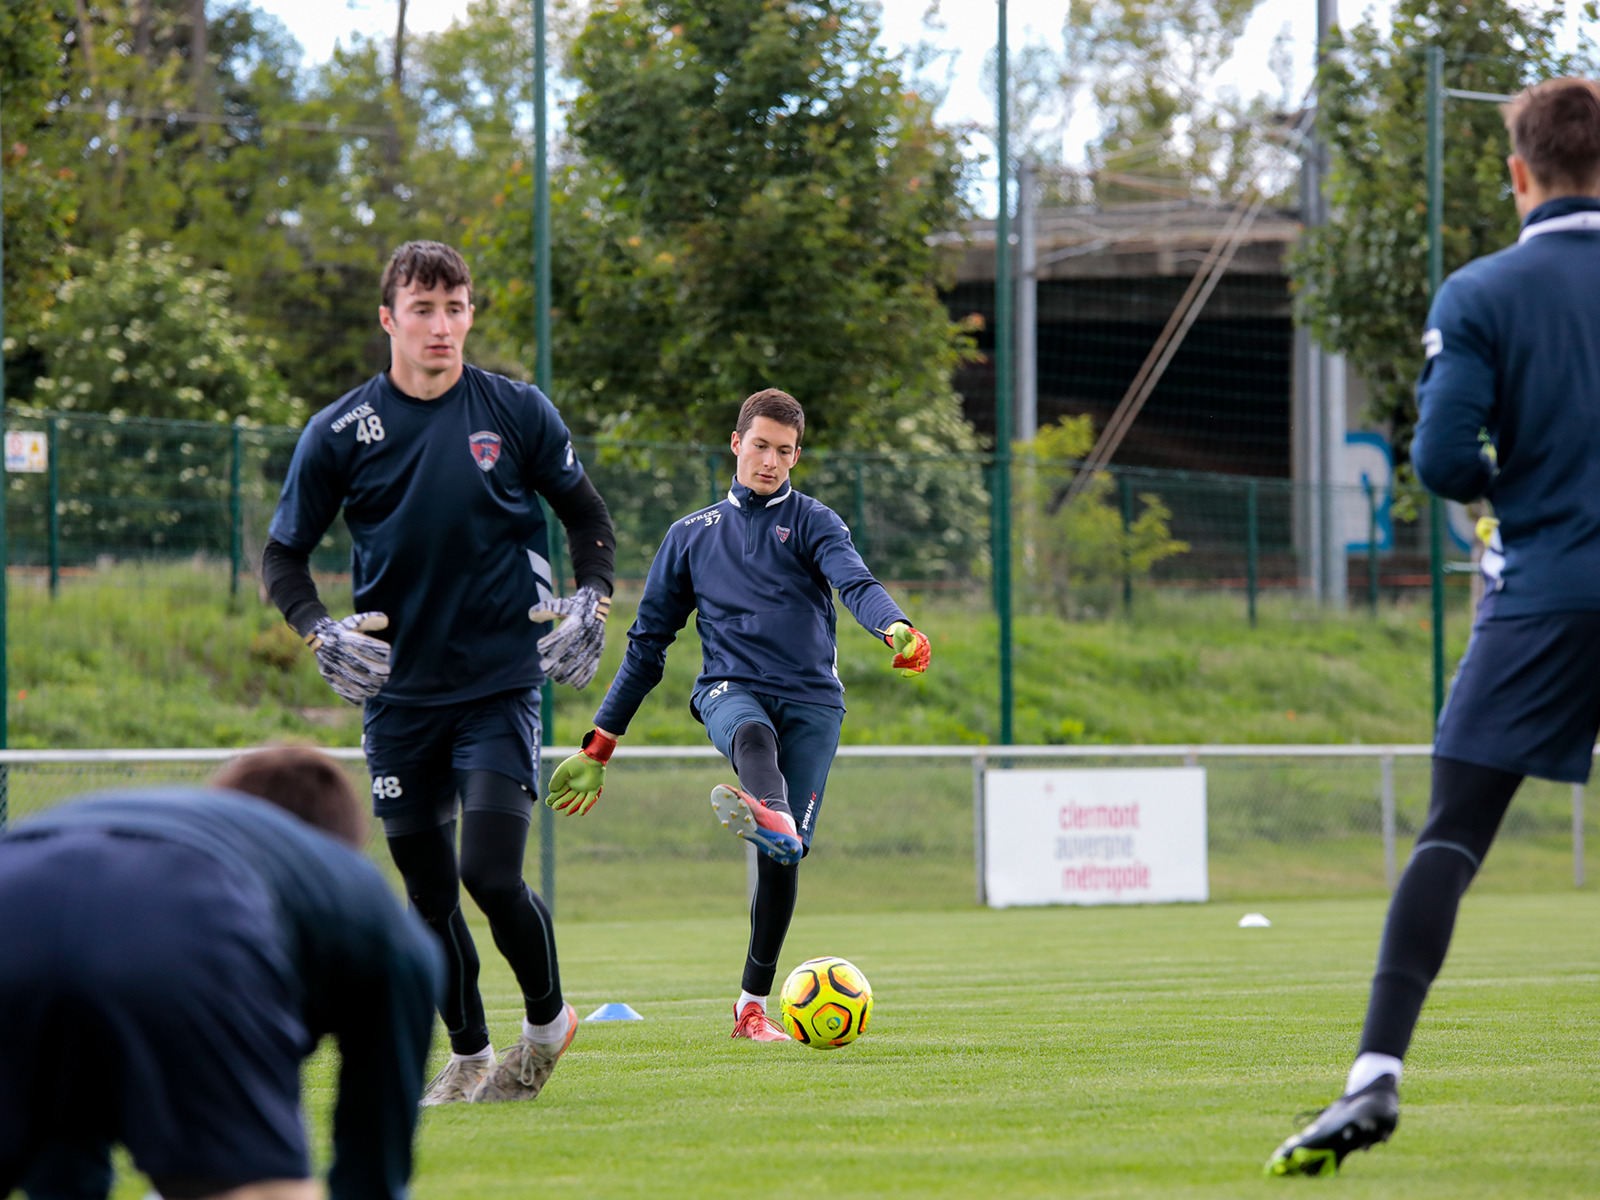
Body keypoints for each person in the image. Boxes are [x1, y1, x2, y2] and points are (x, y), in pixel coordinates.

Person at [1267, 78, 1600, 1176]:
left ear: (1517, 174)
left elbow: (1444, 461)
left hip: (1545, 590)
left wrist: (1529, 487)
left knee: (1452, 833)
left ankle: (1371, 1077)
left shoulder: (1481, 291)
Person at [261, 241, 616, 1105]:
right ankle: (467, 1052)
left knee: (488, 875)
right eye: (423, 309)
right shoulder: (339, 431)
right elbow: (283, 555)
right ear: (389, 319)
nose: (443, 326)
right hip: (399, 698)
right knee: (426, 897)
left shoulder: (519, 411)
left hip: (499, 684)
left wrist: (592, 600)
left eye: (455, 308)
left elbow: (587, 519)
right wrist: (316, 630)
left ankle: (545, 1027)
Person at [543, 388, 932, 1040]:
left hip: (813, 702)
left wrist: (893, 624)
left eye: (784, 451)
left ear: (797, 455)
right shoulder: (689, 537)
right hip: (729, 688)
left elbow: (853, 580)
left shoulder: (814, 521)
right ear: (736, 443)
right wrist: (597, 745)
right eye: (761, 446)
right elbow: (646, 650)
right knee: (750, 735)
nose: (771, 462)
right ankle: (770, 810)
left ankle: (750, 1006)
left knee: (786, 857)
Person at [0, 746, 442, 1200]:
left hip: (12, 882)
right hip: (185, 911)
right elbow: (374, 1163)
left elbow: (63, 1144)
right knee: (263, 1191)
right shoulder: (351, 889)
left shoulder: (158, 819)